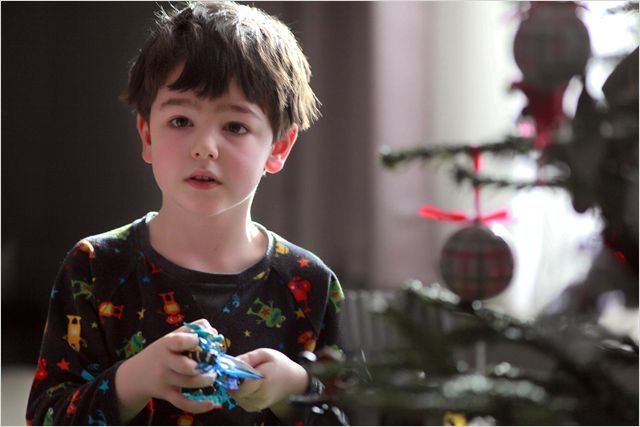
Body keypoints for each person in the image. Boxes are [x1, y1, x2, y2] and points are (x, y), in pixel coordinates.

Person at [26, 1, 344, 425]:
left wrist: (297, 390)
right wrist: (134, 379)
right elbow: (45, 417)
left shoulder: (310, 283)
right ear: (147, 135)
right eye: (180, 121)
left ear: (279, 147)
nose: (204, 147)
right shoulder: (93, 268)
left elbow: (364, 413)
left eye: (235, 126)